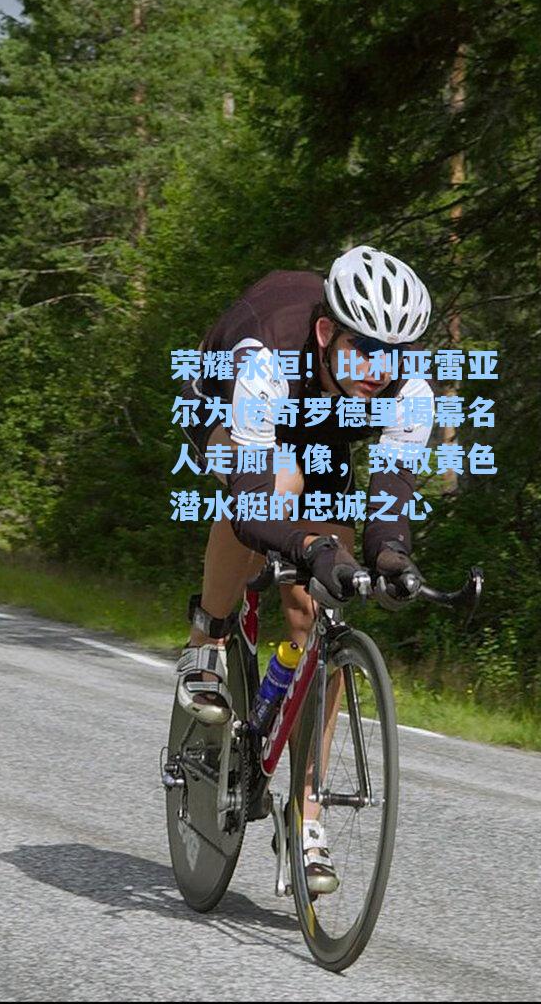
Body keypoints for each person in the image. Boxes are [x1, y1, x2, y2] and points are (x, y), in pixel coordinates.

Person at [174, 244, 434, 894]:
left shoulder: (409, 387)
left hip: (322, 425)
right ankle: (206, 641)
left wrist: (391, 560)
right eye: (365, 347)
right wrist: (310, 546)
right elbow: (254, 502)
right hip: (228, 403)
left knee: (313, 608)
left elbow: (389, 508)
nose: (381, 367)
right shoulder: (265, 353)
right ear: (326, 332)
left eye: (394, 353)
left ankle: (305, 811)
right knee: (276, 486)